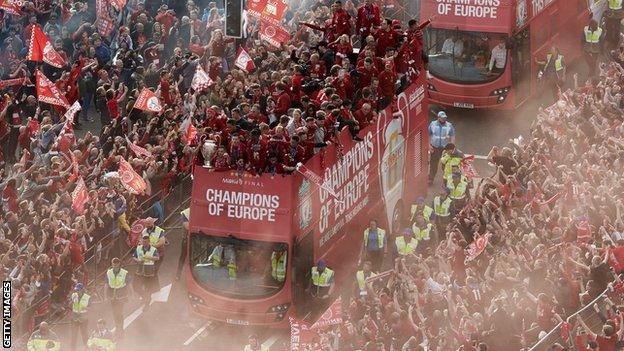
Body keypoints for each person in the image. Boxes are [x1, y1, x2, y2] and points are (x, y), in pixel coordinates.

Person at [428, 111, 455, 185]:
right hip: (435, 147)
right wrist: (429, 145)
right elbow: (428, 134)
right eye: (442, 118)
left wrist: (452, 147)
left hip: (445, 149)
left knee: (446, 165)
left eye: (445, 118)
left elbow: (452, 136)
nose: (444, 119)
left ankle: (447, 181)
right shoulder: (433, 124)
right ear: (438, 117)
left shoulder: (449, 125)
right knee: (433, 164)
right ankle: (430, 179)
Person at [133, 234, 160, 308]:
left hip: (149, 271)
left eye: (145, 242)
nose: (144, 243)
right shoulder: (138, 248)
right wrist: (137, 261)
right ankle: (145, 296)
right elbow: (134, 257)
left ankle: (147, 303)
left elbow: (157, 258)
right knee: (135, 286)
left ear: (148, 242)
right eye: (143, 241)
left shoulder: (153, 249)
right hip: (140, 270)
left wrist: (149, 257)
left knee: (148, 288)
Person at [106, 257, 129, 336]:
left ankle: (120, 330)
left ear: (119, 264)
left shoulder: (124, 273)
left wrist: (131, 295)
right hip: (112, 296)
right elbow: (106, 284)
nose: (114, 266)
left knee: (119, 312)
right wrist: (105, 296)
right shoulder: (109, 272)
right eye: (113, 265)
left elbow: (129, 284)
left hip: (121, 296)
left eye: (116, 265)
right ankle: (118, 327)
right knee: (115, 313)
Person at [70, 282, 90, 350]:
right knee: (73, 335)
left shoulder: (87, 297)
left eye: (78, 290)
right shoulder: (73, 295)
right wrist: (71, 302)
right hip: (75, 317)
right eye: (76, 290)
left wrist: (86, 308)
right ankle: (72, 349)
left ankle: (87, 348)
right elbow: (70, 304)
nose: (77, 291)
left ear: (82, 290)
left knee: (84, 334)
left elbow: (90, 307)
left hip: (83, 318)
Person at [176, 207, 190, 281]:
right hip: (186, 239)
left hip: (196, 238)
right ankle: (178, 274)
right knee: (182, 257)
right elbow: (187, 226)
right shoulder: (186, 213)